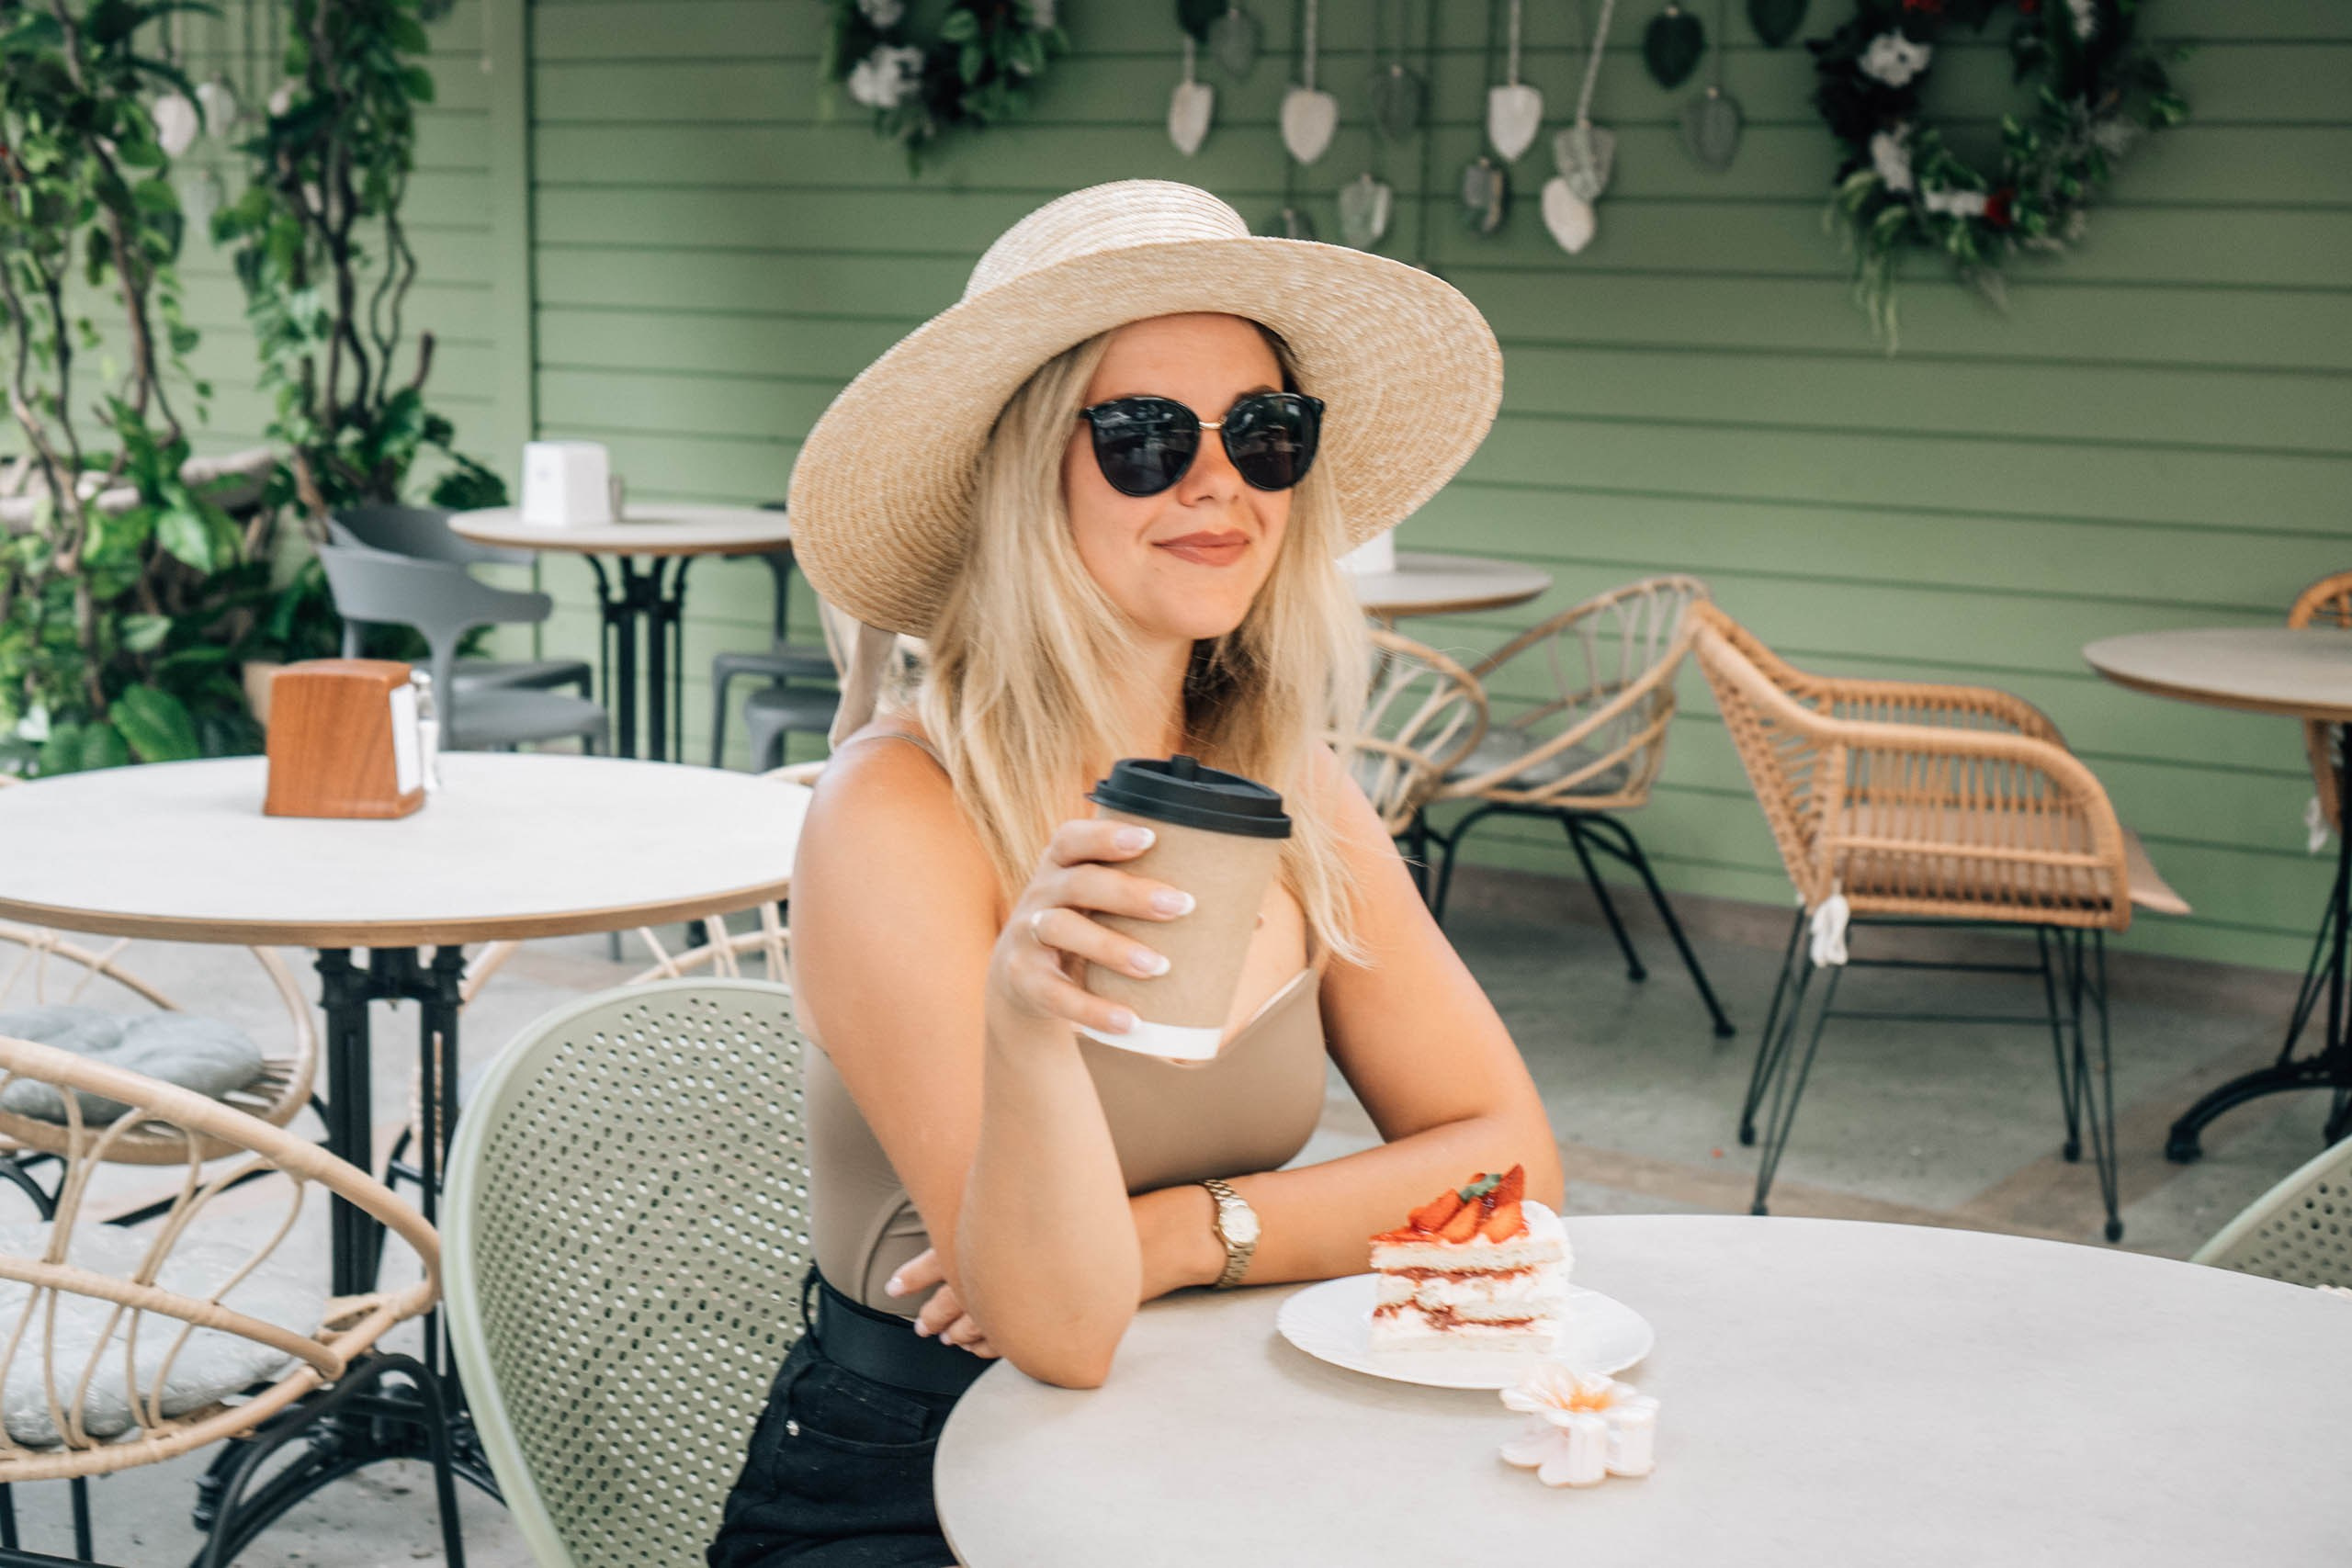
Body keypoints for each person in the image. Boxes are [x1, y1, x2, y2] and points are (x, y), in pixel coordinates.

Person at [710, 180, 1561, 1568]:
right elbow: (1056, 1327)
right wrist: (1028, 1021)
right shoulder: (900, 807)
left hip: (1214, 1443)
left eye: (1265, 433)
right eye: (1146, 437)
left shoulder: (1289, 786)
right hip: (916, 1481)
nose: (1219, 481)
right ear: (1026, 475)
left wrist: (1171, 1238)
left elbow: (1509, 1166)